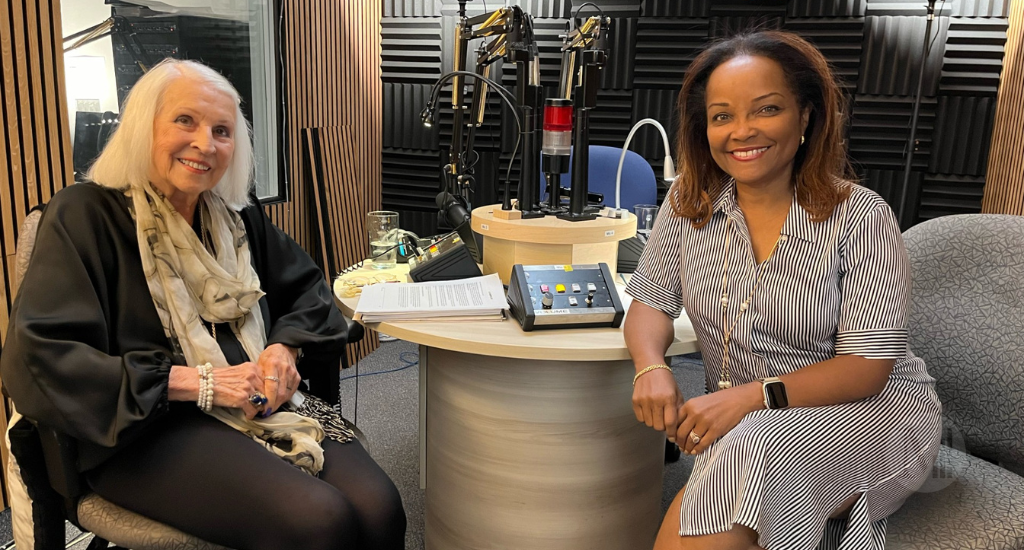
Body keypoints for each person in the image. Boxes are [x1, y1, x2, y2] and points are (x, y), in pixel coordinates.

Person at [2, 59, 406, 550]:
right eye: (184, 121)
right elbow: (42, 356)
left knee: (381, 509)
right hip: (145, 428)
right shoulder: (84, 215)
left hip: (260, 403)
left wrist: (284, 350)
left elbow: (310, 291)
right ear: (142, 128)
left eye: (222, 130)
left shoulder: (236, 218)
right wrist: (202, 383)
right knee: (320, 521)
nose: (204, 144)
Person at [624, 31, 941, 550]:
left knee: (745, 457)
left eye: (766, 109)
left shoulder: (861, 216)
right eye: (722, 115)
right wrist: (652, 366)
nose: (741, 131)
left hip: (874, 413)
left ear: (806, 116)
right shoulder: (690, 199)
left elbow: (866, 368)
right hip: (749, 423)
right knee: (728, 483)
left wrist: (751, 400)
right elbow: (650, 304)